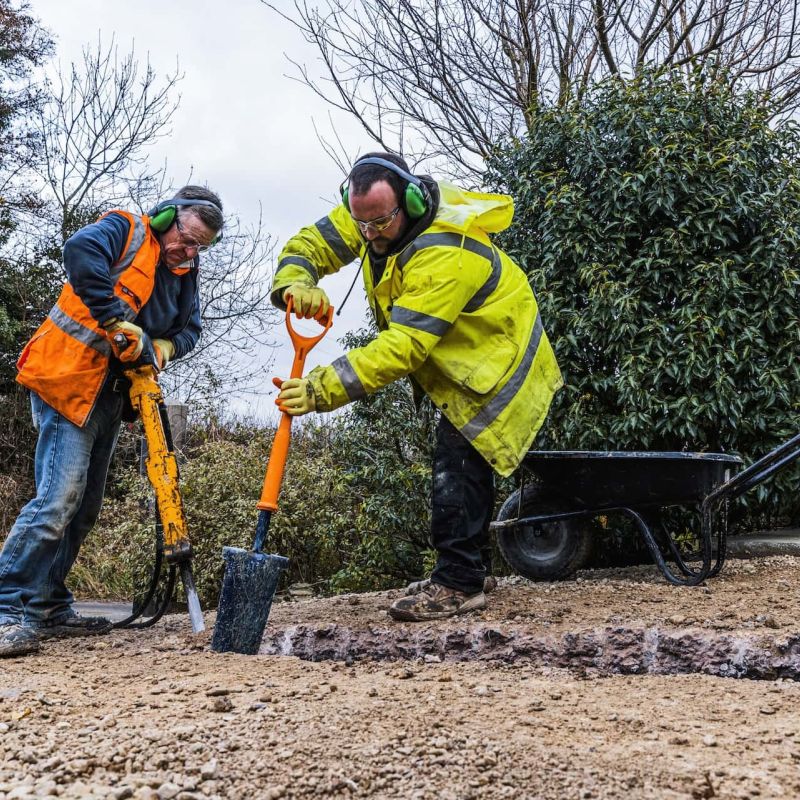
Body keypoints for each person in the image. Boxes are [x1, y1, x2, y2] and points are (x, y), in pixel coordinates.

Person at [271, 152, 562, 621]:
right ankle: (469, 568)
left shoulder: (445, 251)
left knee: (457, 464)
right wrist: (296, 281)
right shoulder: (372, 213)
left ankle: (458, 583)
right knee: (461, 462)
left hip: (496, 361)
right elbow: (311, 244)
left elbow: (403, 345)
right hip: (461, 356)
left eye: (379, 223)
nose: (369, 234)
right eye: (360, 223)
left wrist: (321, 389)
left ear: (406, 201)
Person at [0, 186, 224, 657]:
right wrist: (115, 319)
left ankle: (47, 604)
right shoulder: (127, 228)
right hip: (68, 379)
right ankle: (6, 607)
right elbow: (79, 251)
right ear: (168, 218)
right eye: (187, 238)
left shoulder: (184, 272)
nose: (189, 250)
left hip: (110, 397)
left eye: (200, 245)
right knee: (57, 500)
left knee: (84, 511)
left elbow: (191, 330)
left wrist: (163, 348)